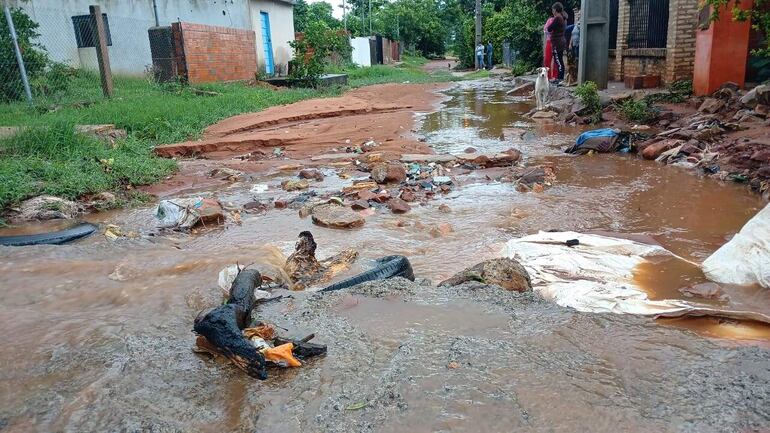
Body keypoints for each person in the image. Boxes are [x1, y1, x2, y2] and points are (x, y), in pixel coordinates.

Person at [546, 2, 567, 83]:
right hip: (560, 41)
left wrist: (549, 26)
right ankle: (559, 77)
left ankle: (560, 78)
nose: (552, 11)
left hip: (557, 42)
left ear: (555, 10)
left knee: (558, 61)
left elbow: (549, 28)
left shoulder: (557, 18)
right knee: (559, 60)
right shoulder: (562, 17)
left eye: (552, 9)